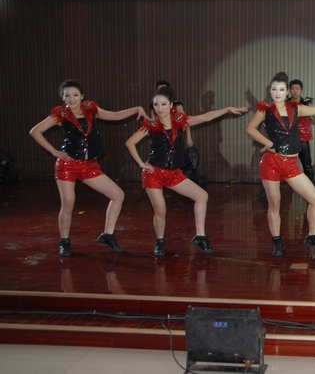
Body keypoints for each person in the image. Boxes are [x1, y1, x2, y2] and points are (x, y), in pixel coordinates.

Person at [29, 80, 148, 257]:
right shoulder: (61, 114)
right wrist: (54, 151)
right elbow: (35, 131)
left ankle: (108, 234)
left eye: (75, 95)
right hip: (68, 165)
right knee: (68, 203)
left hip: (89, 165)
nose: (72, 99)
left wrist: (136, 109)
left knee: (118, 195)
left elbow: (115, 115)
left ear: (82, 96)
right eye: (67, 95)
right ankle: (64, 241)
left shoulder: (91, 110)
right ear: (62, 97)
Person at [126, 87, 248, 256]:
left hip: (174, 174)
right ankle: (160, 241)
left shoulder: (180, 121)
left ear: (171, 105)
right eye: (156, 105)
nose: (159, 108)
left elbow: (205, 117)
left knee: (202, 196)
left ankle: (200, 236)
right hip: (154, 173)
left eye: (163, 104)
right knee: (160, 209)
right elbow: (130, 142)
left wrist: (226, 109)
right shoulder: (151, 125)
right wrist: (141, 164)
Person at [245, 72, 315, 257]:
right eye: (274, 89)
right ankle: (277, 241)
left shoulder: (296, 109)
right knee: (275, 203)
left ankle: (313, 235)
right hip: (271, 163)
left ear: (287, 91)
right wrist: (269, 143)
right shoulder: (265, 110)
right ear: (270, 91)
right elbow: (250, 129)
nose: (277, 93)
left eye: (281, 89)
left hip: (291, 164)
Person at [289, 79, 315, 184]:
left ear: (302, 90)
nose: (295, 91)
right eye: (293, 89)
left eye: (297, 89)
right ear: (289, 90)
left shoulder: (306, 104)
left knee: (307, 165)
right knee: (284, 165)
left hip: (303, 140)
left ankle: (311, 187)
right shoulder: (285, 104)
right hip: (288, 139)